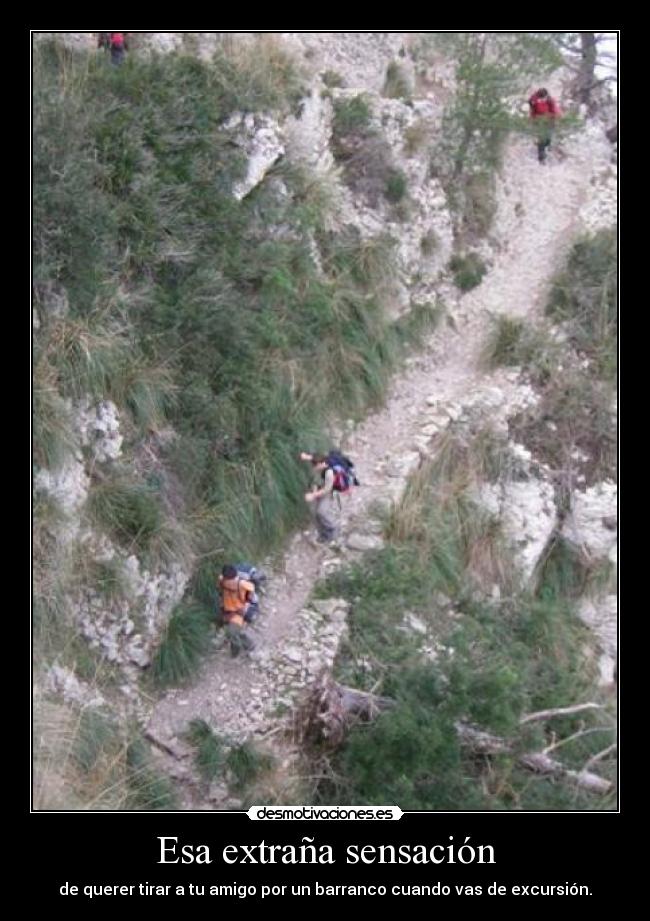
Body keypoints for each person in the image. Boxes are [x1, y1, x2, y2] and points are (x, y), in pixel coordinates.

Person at [300, 452, 339, 544]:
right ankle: (323, 534)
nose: (314, 467)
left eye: (316, 466)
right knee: (314, 513)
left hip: (328, 493)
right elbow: (314, 458)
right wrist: (306, 457)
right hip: (318, 489)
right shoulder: (319, 463)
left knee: (321, 511)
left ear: (322, 464)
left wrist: (313, 495)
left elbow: (326, 490)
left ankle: (333, 529)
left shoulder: (329, 473)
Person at [217, 565, 256, 657]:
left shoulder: (242, 584)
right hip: (227, 610)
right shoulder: (222, 580)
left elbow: (251, 596)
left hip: (238, 612)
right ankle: (249, 645)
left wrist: (245, 606)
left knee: (231, 631)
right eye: (227, 581)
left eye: (231, 581)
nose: (229, 584)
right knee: (235, 631)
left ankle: (236, 649)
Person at [528, 88, 561, 164]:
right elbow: (532, 111)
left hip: (548, 121)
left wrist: (554, 120)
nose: (542, 99)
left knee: (548, 139)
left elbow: (554, 111)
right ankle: (541, 158)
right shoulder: (534, 101)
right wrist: (533, 121)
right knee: (541, 140)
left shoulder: (550, 100)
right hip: (539, 122)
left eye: (543, 98)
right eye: (541, 98)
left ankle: (547, 149)